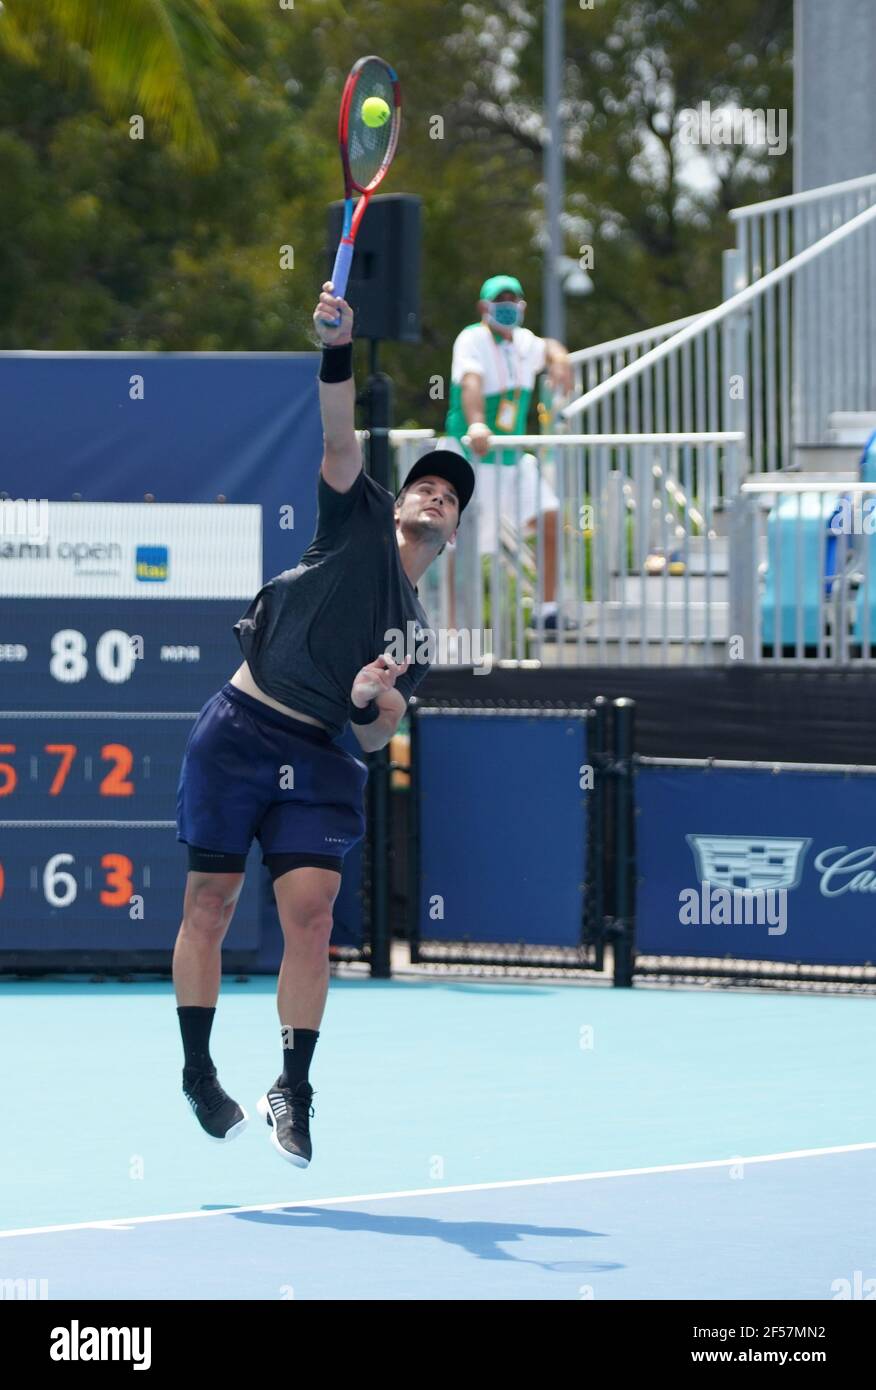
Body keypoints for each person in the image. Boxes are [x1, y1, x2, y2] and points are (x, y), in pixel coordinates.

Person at [172, 281, 475, 1167]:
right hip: (239, 728)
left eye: (449, 497)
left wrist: (376, 704)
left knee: (310, 918)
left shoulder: (415, 632)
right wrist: (336, 344)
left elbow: (378, 738)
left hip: (315, 756)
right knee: (211, 903)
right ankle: (198, 1073)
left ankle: (292, 1087)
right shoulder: (354, 516)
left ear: (452, 530)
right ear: (398, 499)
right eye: (424, 483)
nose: (433, 496)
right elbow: (339, 429)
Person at [445, 275, 574, 630]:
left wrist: (560, 359)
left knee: (551, 516)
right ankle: (453, 629)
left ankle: (547, 611)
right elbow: (471, 383)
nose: (507, 306)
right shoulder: (472, 338)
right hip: (472, 456)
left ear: (523, 306)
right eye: (499, 301)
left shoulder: (524, 342)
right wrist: (476, 424)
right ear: (483, 307)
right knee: (459, 546)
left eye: (512, 300)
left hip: (511, 458)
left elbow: (548, 345)